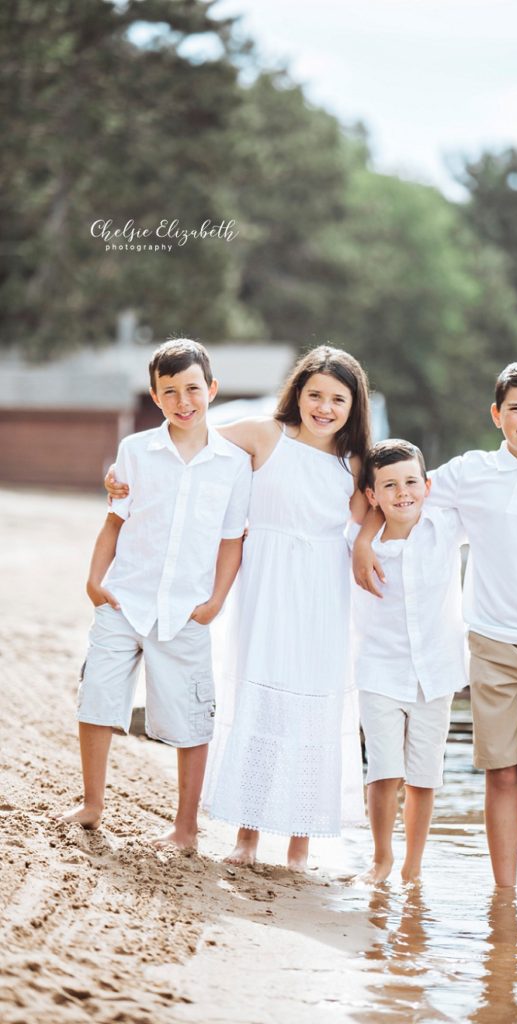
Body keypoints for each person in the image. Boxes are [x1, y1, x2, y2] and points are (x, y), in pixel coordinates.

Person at [106, 345, 371, 870]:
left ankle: (301, 843)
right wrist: (120, 476)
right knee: (259, 694)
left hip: (323, 589)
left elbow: (382, 514)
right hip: (266, 582)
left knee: (313, 705)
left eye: (336, 399)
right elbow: (185, 448)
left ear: (352, 404)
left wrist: (364, 546)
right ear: (297, 393)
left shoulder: (356, 461)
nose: (323, 407)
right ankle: (246, 837)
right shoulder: (261, 434)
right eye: (314, 394)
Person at [354, 360, 517, 888]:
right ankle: (504, 895)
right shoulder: (470, 472)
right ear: (496, 414)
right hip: (491, 646)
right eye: (515, 408)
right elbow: (403, 493)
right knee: (500, 774)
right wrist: (364, 538)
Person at [61, 339, 252, 850]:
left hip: (186, 610)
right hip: (125, 598)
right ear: (155, 395)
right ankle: (92, 803)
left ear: (211, 389)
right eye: (170, 392)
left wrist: (213, 604)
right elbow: (113, 523)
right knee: (97, 697)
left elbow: (232, 542)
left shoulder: (233, 463)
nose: (183, 401)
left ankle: (186, 829)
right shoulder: (135, 451)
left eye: (193, 388)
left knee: (192, 718)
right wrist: (94, 581)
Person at [349, 439, 466, 884]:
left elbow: (485, 492)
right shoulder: (357, 541)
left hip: (436, 672)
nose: (404, 493)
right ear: (373, 496)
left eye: (412, 482)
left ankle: (413, 867)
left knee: (423, 775)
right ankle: (381, 858)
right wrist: (364, 533)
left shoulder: (445, 526)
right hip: (380, 669)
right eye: (390, 486)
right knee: (384, 769)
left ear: (427, 485)